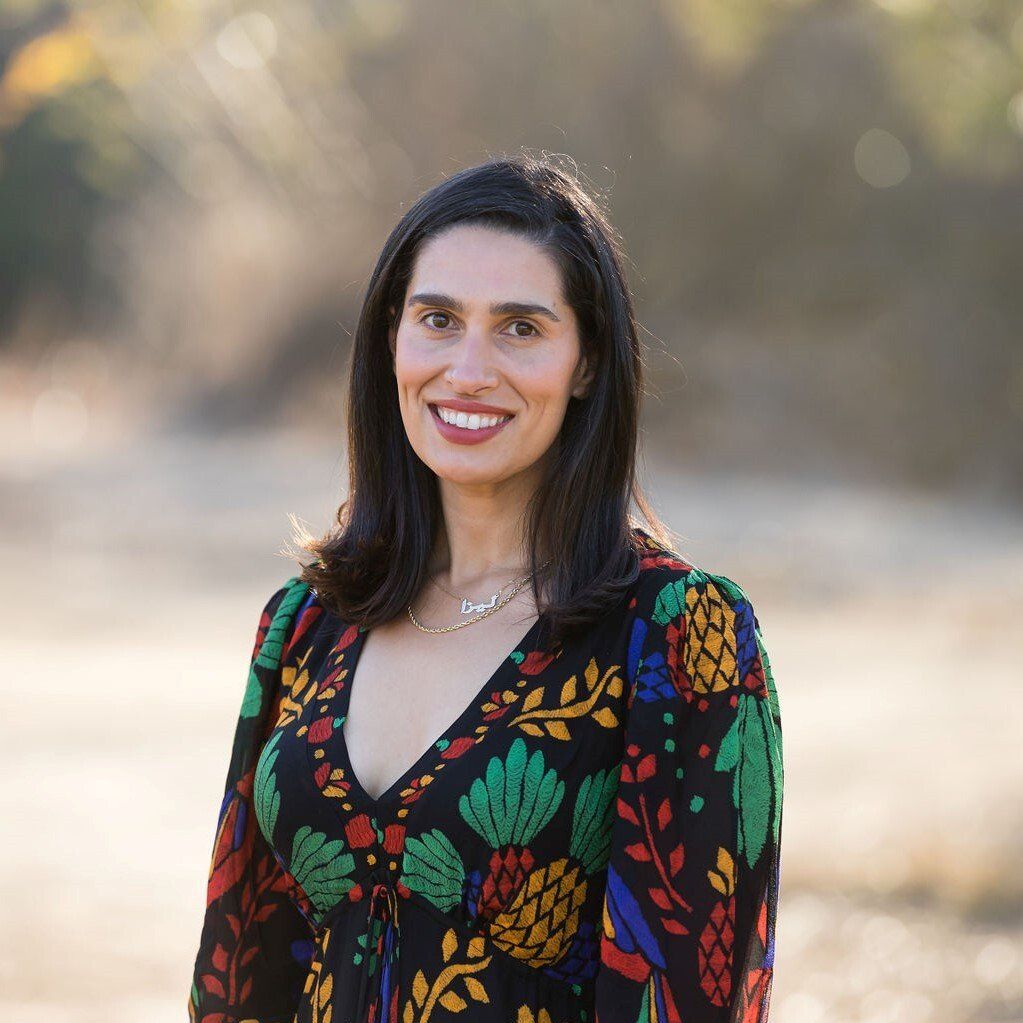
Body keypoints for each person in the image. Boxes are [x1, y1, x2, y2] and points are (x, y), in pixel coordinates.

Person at [187, 153, 783, 1023]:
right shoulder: (308, 620)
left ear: (585, 364)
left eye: (520, 328)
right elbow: (239, 969)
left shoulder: (677, 636)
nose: (468, 370)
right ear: (393, 337)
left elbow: (690, 994)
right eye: (438, 319)